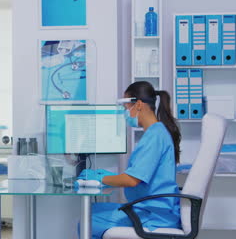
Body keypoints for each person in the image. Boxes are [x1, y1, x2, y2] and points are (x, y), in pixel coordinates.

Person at [78, 81, 182, 239]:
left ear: (138, 105)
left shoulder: (155, 136)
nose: (125, 113)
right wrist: (107, 177)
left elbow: (132, 180)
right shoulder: (156, 133)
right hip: (151, 209)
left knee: (87, 221)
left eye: (126, 107)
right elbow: (138, 176)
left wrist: (100, 178)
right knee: (94, 209)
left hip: (154, 217)